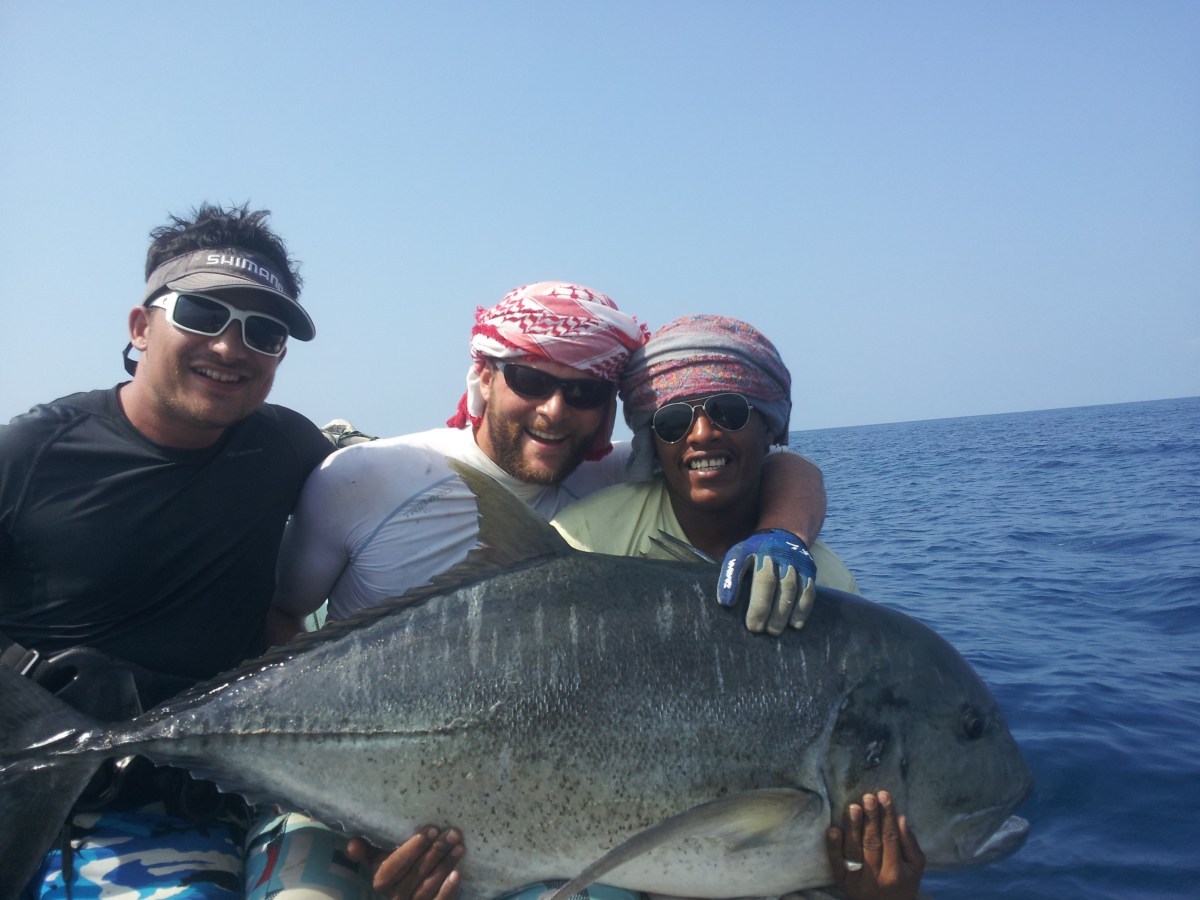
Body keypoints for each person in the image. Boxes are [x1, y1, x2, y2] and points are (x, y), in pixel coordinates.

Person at [264, 282, 833, 899]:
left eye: (585, 391)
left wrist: (783, 532)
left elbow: (771, 459)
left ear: (612, 410)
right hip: (330, 781)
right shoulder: (365, 477)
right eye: (530, 381)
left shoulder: (617, 477)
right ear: (482, 377)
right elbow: (283, 614)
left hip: (493, 806)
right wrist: (352, 794)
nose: (556, 411)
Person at [0, 203, 339, 897]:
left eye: (263, 331)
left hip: (185, 812)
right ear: (140, 325)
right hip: (30, 785)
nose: (229, 347)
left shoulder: (290, 449)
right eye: (202, 314)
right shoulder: (32, 452)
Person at [553, 314, 926, 900]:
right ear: (654, 440)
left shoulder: (822, 579)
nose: (701, 435)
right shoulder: (592, 534)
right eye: (674, 422)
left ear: (769, 427)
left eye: (728, 412)